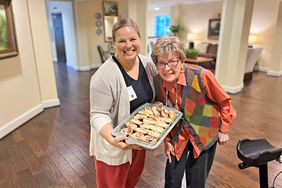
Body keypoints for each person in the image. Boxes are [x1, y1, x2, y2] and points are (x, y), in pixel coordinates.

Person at [151, 36, 236, 188]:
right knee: (171, 179)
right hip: (177, 134)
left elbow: (225, 102)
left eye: (172, 61)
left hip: (204, 133)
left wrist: (224, 129)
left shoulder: (202, 75)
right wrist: (166, 141)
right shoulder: (158, 80)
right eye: (161, 62)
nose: (166, 68)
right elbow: (163, 111)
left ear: (181, 60)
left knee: (197, 181)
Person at [89, 18, 158, 188]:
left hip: (138, 140)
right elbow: (97, 115)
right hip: (114, 145)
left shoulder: (147, 64)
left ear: (140, 39)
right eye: (122, 41)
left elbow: (155, 95)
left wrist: (157, 105)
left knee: (131, 181)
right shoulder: (103, 75)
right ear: (114, 43)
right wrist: (112, 138)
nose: (128, 45)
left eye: (133, 39)